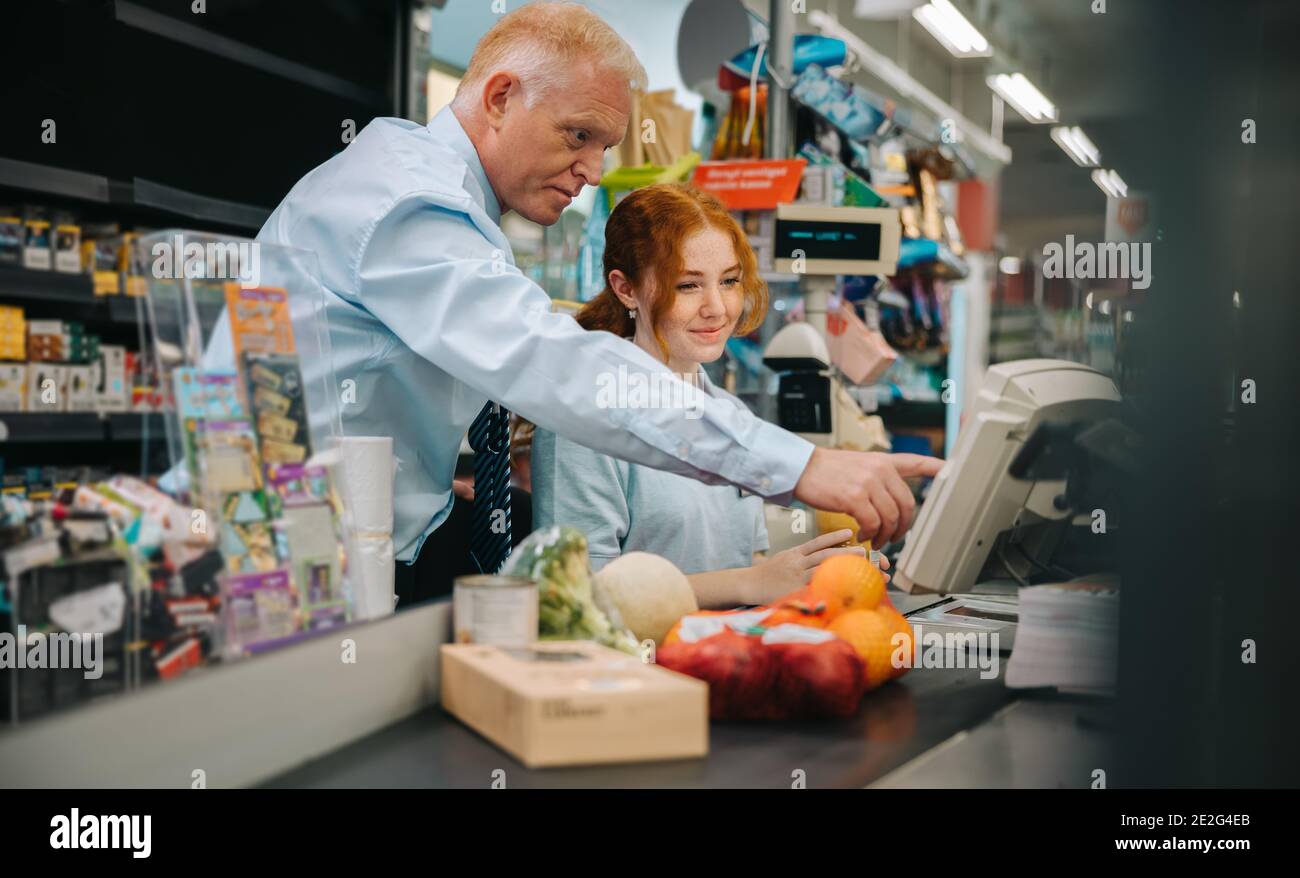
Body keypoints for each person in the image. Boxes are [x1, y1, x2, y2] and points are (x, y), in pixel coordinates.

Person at [201, 2, 940, 605]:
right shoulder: (406, 201)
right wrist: (796, 463)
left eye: (604, 148)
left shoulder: (433, 192)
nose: (590, 171)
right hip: (284, 575)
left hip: (338, 553)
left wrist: (434, 466)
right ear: (499, 97)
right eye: (577, 136)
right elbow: (550, 360)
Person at [530, 183, 878, 607]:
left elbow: (748, 562)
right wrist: (750, 581)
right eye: (688, 286)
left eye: (729, 281)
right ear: (625, 289)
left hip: (722, 657)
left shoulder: (729, 413)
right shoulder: (580, 420)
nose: (717, 307)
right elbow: (577, 595)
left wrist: (820, 580)